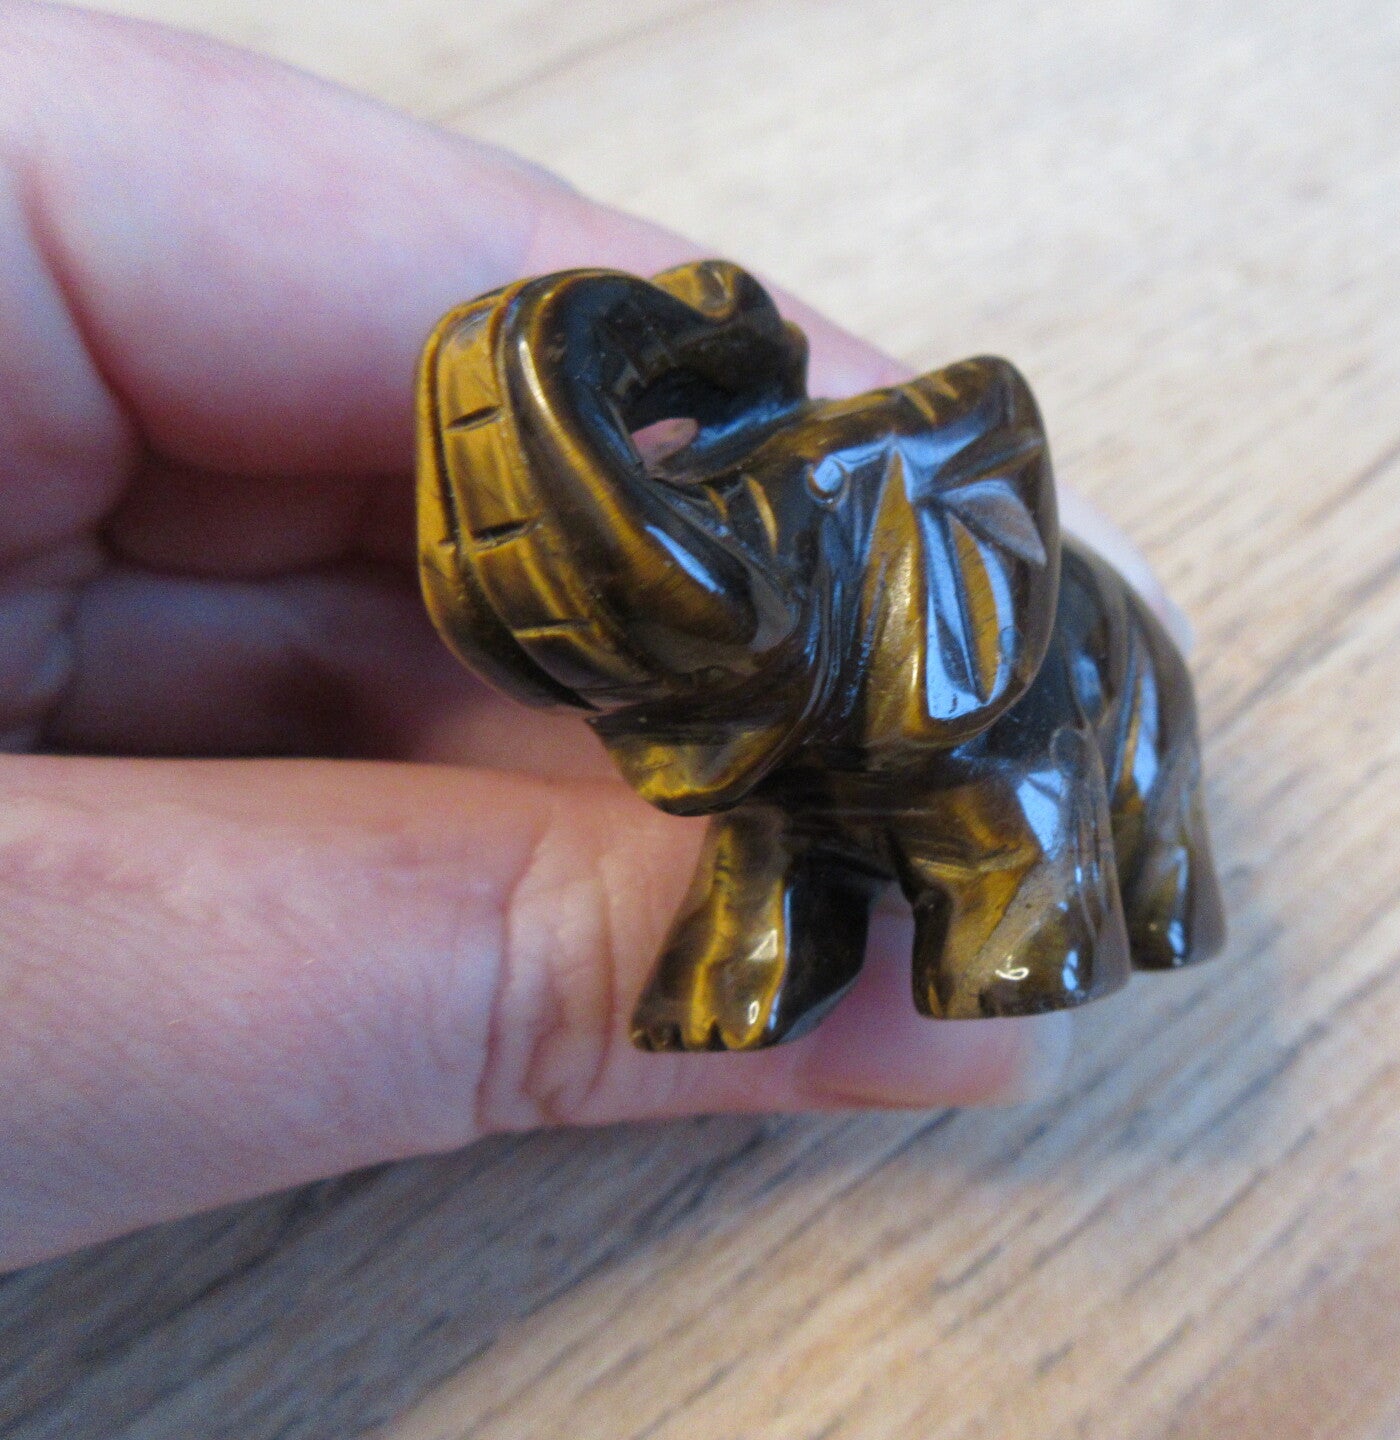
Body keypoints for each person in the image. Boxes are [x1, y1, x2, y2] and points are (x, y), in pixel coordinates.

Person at [0, 3, 1182, 1271]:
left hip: (1052, 696)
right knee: (775, 853)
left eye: (742, 528)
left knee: (1068, 854)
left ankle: (1145, 899)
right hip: (808, 738)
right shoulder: (756, 712)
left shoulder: (951, 599)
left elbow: (1015, 800)